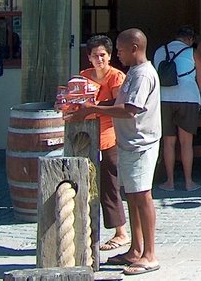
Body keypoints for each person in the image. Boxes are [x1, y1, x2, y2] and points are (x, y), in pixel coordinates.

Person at [67, 28, 161, 275]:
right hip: (128, 142)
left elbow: (129, 109)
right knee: (132, 196)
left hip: (141, 144)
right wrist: (90, 107)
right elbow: (117, 102)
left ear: (134, 48)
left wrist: (93, 108)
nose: (116, 55)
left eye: (119, 50)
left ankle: (150, 255)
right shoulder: (133, 73)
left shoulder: (142, 75)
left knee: (143, 196)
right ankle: (136, 248)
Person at [78, 35, 129, 251]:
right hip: (86, 135)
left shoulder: (116, 76)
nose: (99, 59)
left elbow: (119, 103)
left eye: (103, 55)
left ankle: (120, 232)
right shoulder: (83, 76)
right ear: (88, 57)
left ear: (109, 56)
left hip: (110, 135)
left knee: (110, 183)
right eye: (95, 55)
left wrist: (95, 106)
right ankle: (84, 231)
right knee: (84, 183)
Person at [151, 25, 201, 192]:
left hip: (164, 98)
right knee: (186, 143)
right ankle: (189, 182)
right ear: (190, 39)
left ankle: (170, 182)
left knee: (168, 143)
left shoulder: (159, 51)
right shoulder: (192, 52)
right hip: (187, 98)